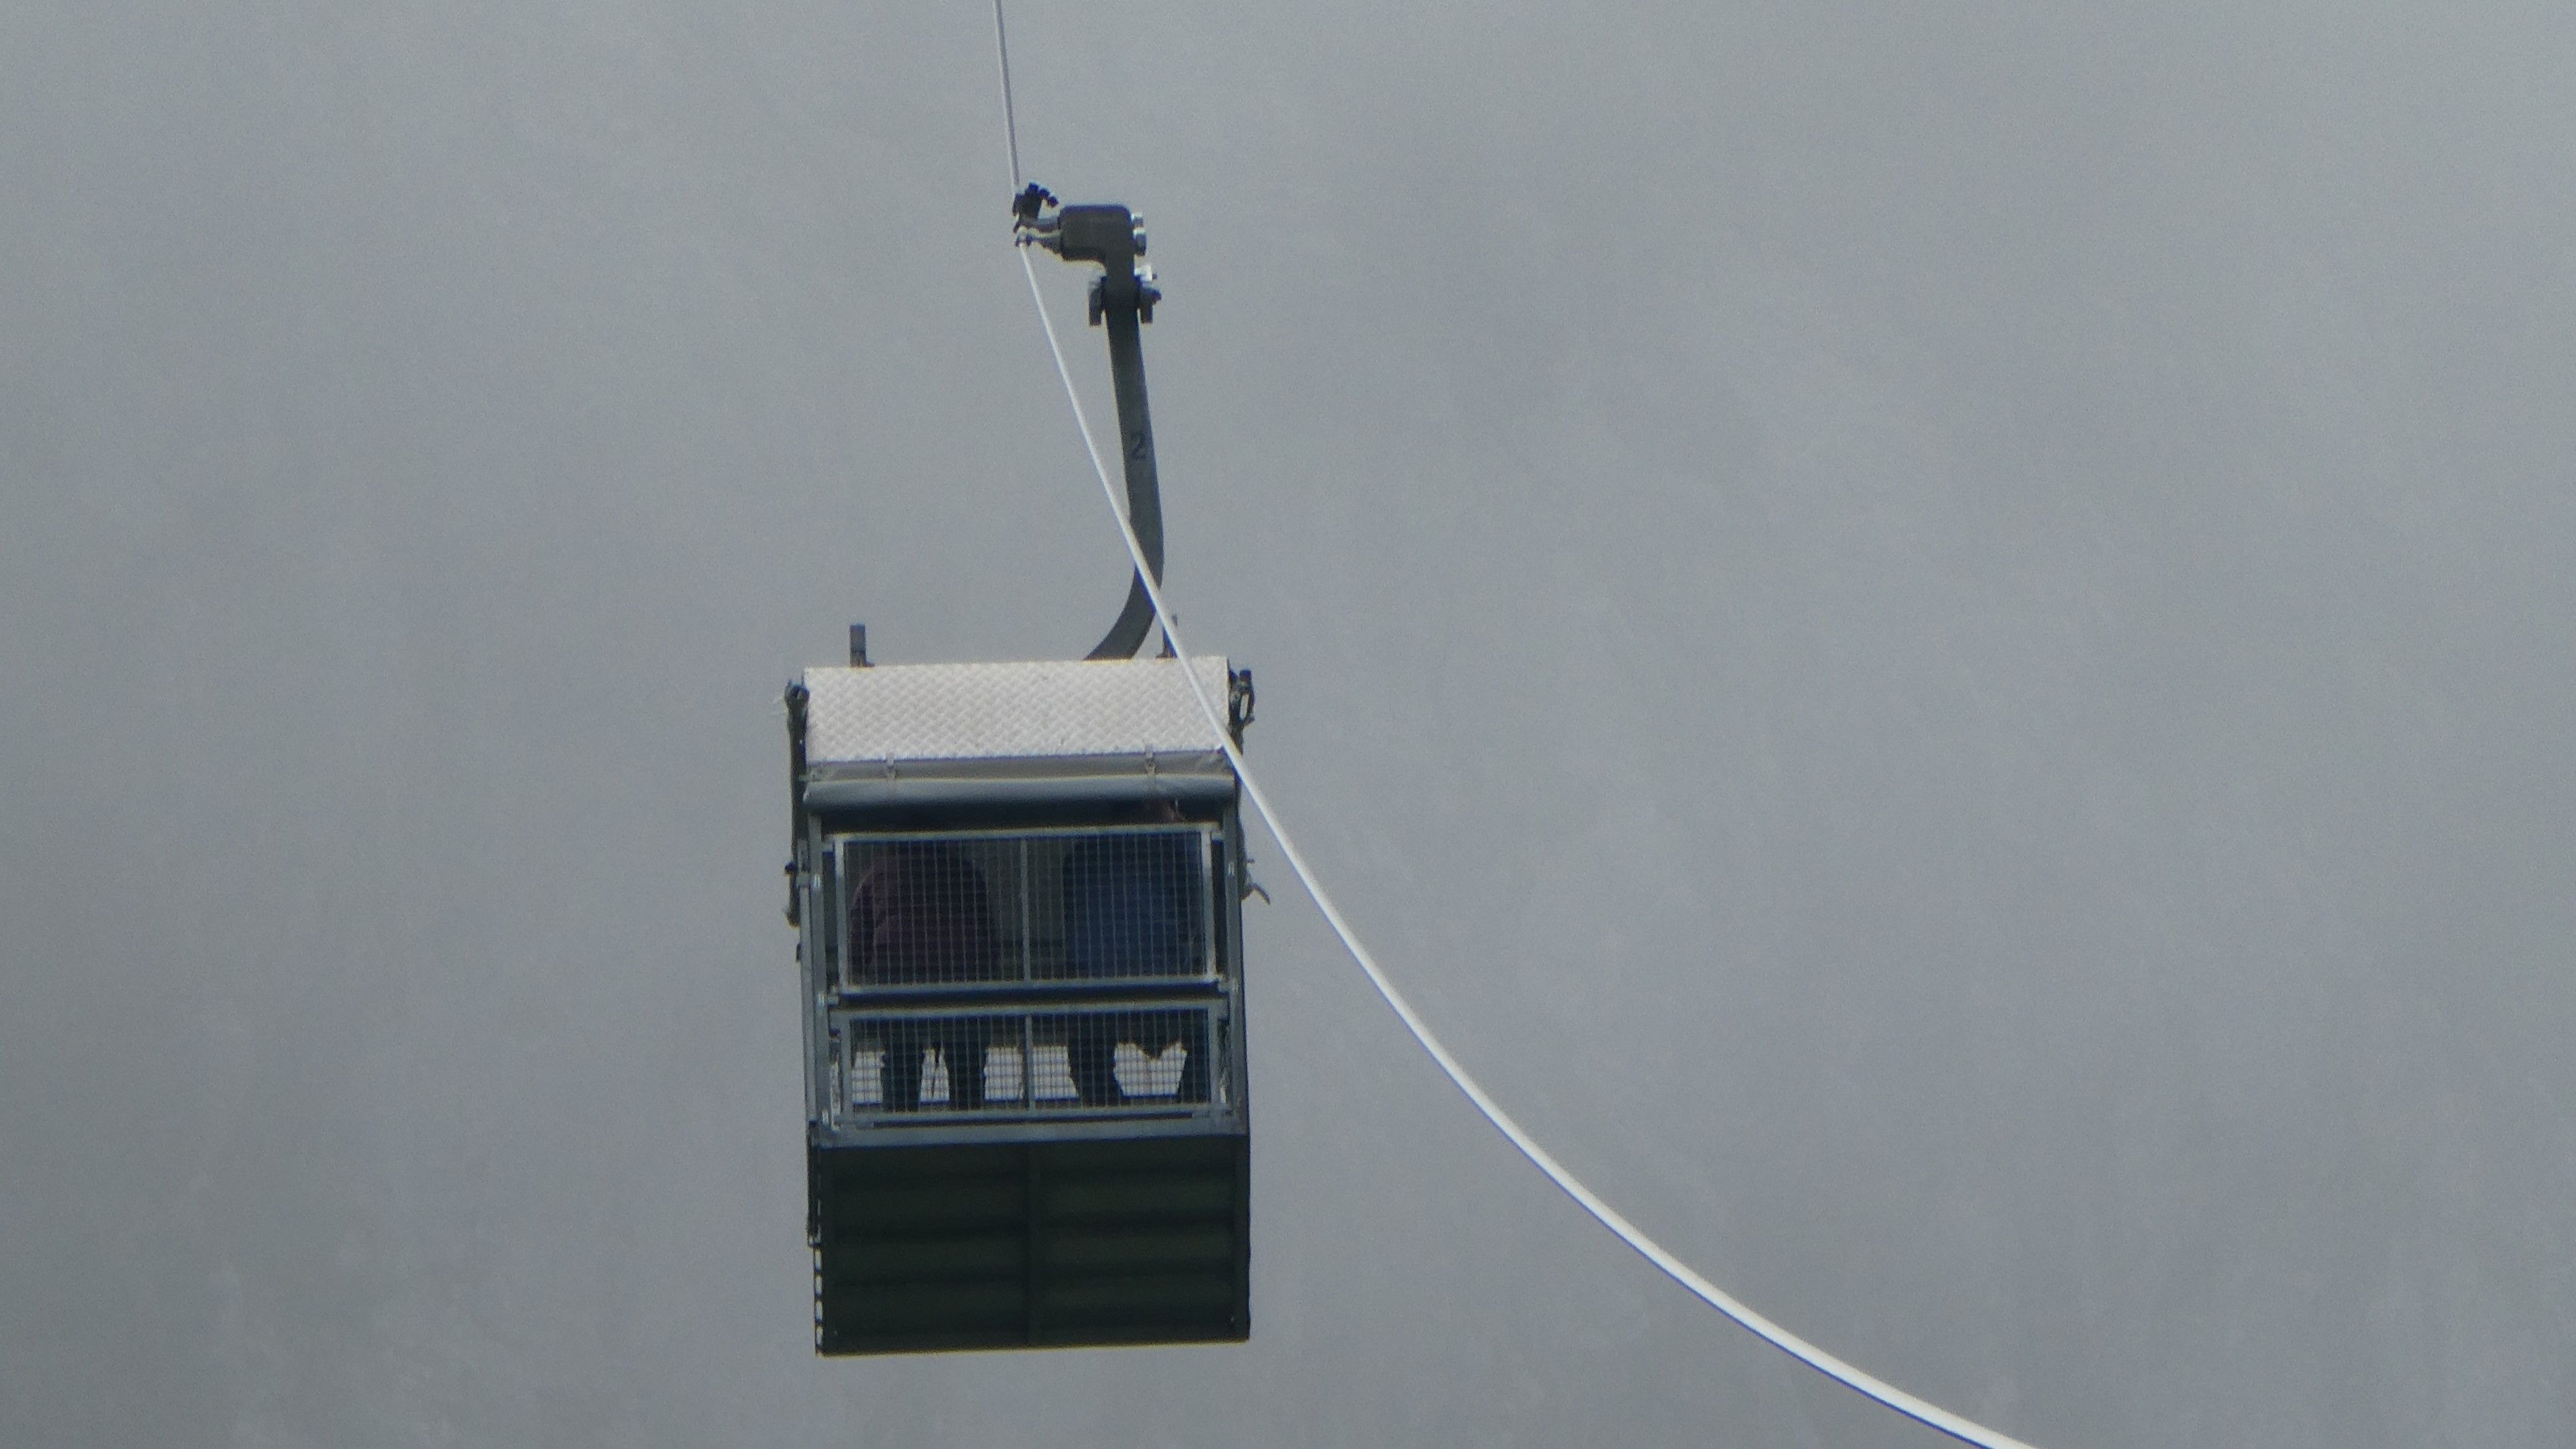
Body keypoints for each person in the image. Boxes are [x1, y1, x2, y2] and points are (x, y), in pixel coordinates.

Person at [1059, 820, 1210, 1106]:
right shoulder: (1172, 845)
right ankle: (1191, 1107)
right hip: (1164, 974)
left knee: (1087, 1055)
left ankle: (1113, 1113)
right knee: (1210, 1036)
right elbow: (1197, 887)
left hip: (1098, 981)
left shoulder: (1080, 856)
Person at [847, 841, 999, 1111]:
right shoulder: (965, 872)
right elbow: (988, 937)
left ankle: (900, 1117)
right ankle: (970, 1115)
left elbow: (858, 948)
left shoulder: (875, 876)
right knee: (966, 1052)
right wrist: (987, 979)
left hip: (897, 974)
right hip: (960, 972)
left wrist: (862, 978)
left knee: (902, 1053)